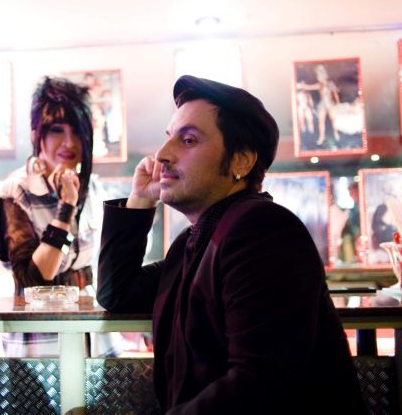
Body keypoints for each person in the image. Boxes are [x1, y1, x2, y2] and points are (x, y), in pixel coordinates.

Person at [97, 75, 366, 414]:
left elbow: (260, 385)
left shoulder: (263, 231)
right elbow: (117, 293)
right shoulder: (191, 244)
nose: (161, 155)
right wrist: (139, 198)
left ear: (241, 161)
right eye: (168, 139)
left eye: (188, 140)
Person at [0, 76, 117, 357]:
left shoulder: (93, 188)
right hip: (39, 348)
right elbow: (34, 279)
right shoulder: (17, 191)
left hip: (96, 342)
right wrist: (65, 208)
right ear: (36, 135)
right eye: (57, 130)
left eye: (76, 131)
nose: (69, 142)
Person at [297, 64, 340, 146]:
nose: (318, 77)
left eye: (319, 75)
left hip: (330, 103)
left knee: (333, 120)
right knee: (321, 121)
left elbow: (335, 94)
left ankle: (336, 133)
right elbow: (308, 87)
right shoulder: (319, 85)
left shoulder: (330, 84)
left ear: (324, 75)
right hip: (323, 104)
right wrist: (301, 86)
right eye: (318, 75)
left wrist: (338, 103)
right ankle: (322, 136)